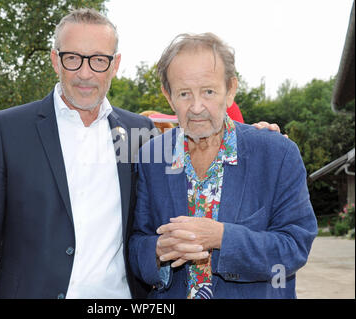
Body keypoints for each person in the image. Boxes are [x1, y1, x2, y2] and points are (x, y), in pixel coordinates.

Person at [0, 8, 155, 299]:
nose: (85, 73)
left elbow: (150, 227)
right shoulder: (8, 129)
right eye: (73, 58)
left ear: (115, 65)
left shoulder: (141, 132)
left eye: (99, 60)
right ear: (55, 60)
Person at [128, 32, 318, 299]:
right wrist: (158, 249)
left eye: (208, 91)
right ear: (168, 96)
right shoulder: (152, 156)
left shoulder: (277, 154)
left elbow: (294, 247)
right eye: (184, 94)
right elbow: (136, 243)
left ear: (230, 90)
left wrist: (221, 237)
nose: (196, 107)